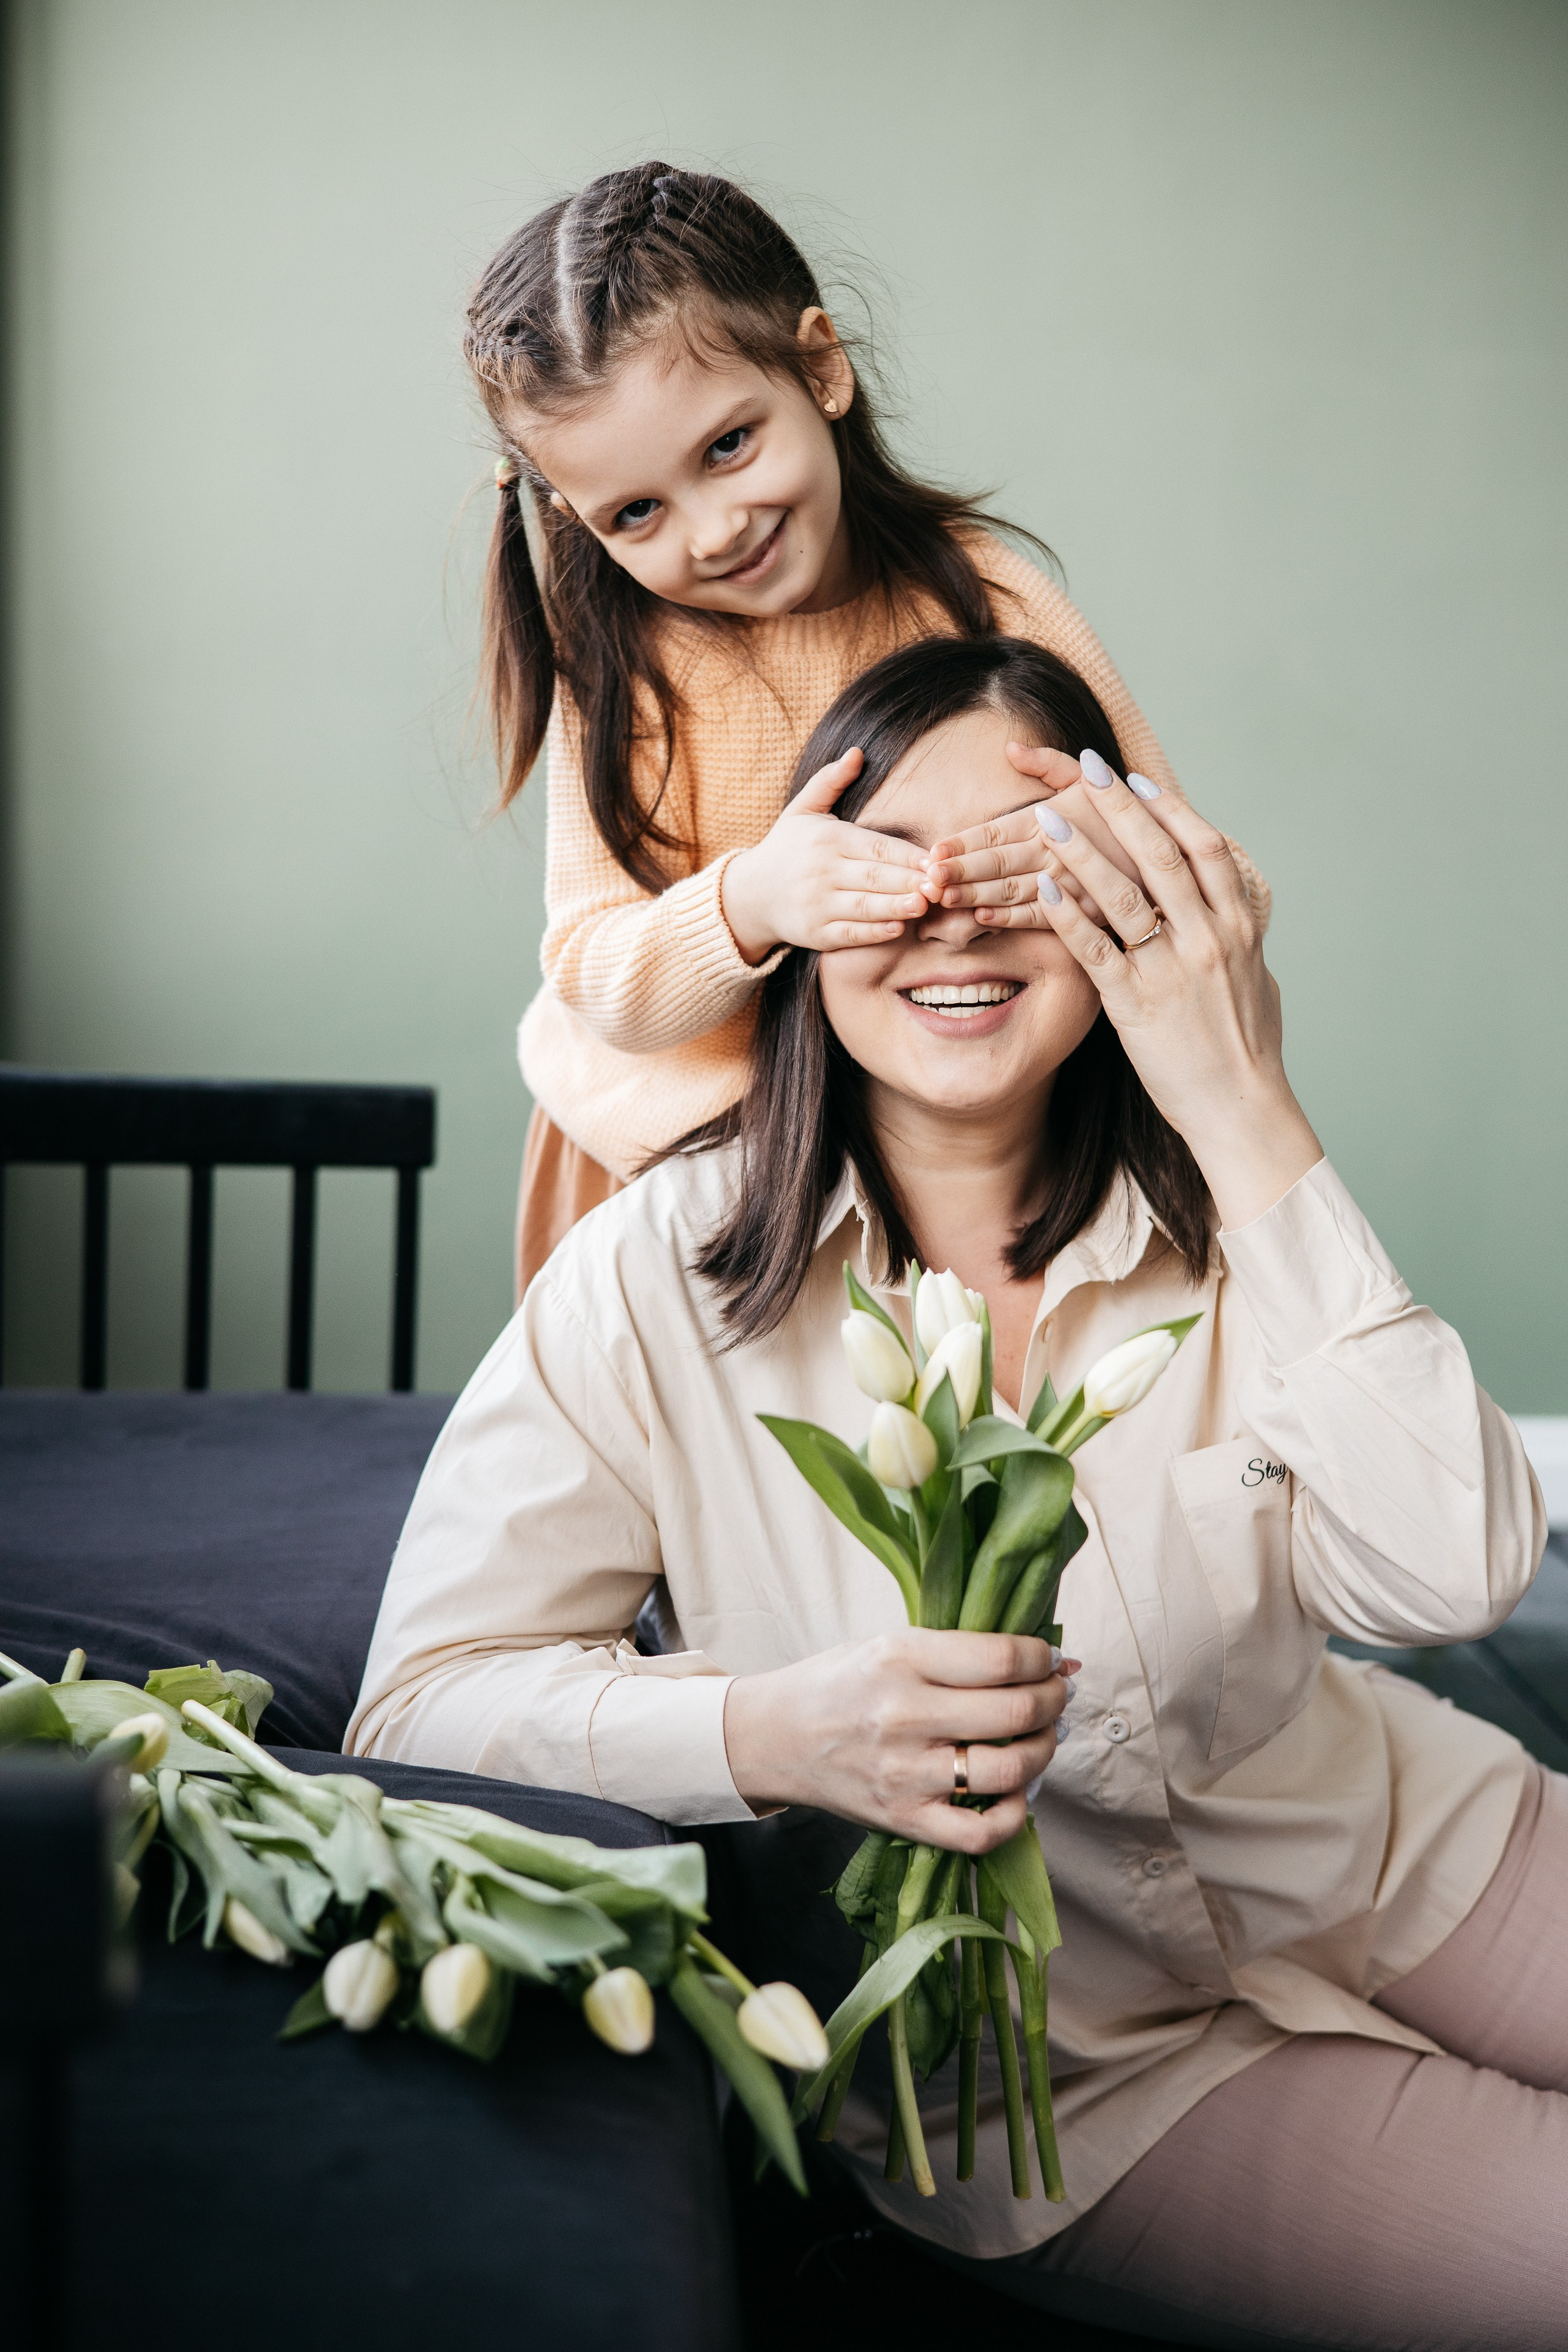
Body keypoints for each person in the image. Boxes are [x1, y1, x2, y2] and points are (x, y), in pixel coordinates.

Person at [348, 637, 1557, 2350]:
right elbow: (422, 1702)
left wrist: (1236, 1084)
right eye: (887, 868)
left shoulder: (1232, 1208)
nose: (951, 920)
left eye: (1017, 865)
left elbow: (1457, 1571)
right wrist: (773, 1731)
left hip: (1400, 1841)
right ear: (802, 917)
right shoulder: (652, 1276)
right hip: (1069, 2078)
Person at [463, 161, 1258, 1294]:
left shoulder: (988, 602)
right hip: (652, 1165)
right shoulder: (622, 667)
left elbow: (1218, 895)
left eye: (728, 446)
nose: (712, 530)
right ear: (574, 519)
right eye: (635, 512)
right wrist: (752, 903)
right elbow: (594, 976)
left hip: (910, 1168)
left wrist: (1089, 858)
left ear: (822, 368)